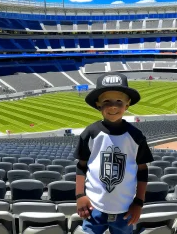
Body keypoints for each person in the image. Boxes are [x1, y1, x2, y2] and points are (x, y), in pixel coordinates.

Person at [74, 72, 154, 234]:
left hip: (125, 209)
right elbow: (81, 166)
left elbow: (143, 170)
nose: (113, 106)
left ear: (127, 104)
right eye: (106, 101)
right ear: (98, 104)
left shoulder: (136, 136)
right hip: (93, 207)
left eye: (119, 101)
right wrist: (79, 195)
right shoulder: (90, 133)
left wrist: (139, 202)